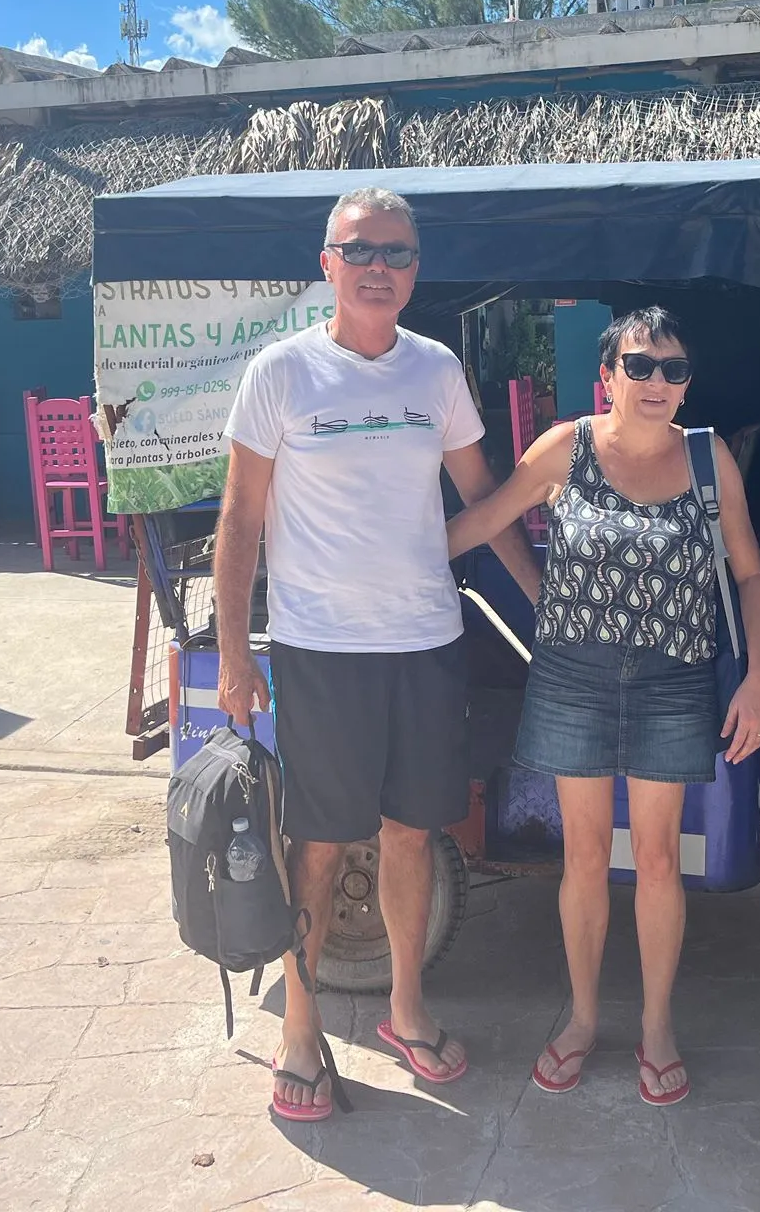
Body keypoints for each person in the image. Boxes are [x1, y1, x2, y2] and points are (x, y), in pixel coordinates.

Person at [213, 186, 541, 1124]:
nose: (378, 268)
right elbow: (241, 521)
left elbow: (487, 498)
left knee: (412, 832)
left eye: (396, 254)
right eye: (360, 251)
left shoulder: (435, 372)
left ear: (415, 271)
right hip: (322, 651)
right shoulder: (281, 372)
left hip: (428, 641)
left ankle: (404, 1008)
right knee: (314, 842)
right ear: (327, 264)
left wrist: (542, 608)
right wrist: (238, 658)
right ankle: (302, 1028)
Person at [447, 308, 760, 1107]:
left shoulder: (709, 460)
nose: (659, 382)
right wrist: (382, 554)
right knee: (584, 858)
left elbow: (750, 575)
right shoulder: (567, 446)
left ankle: (657, 1024)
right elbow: (487, 521)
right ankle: (584, 1019)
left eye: (674, 368)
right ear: (609, 373)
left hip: (674, 679)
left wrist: (759, 675)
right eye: (641, 366)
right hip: (573, 677)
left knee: (659, 860)